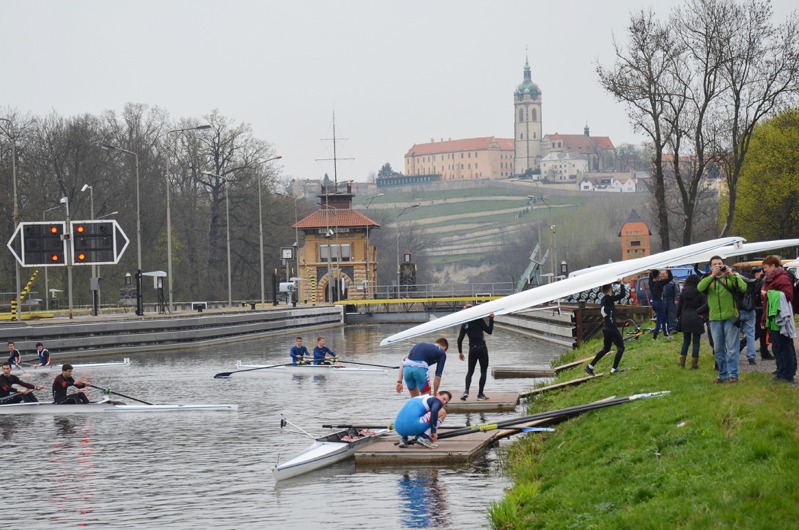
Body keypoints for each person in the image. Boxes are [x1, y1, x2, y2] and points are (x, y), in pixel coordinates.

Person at [698, 256, 747, 383]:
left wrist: (731, 274)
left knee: (731, 348)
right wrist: (712, 276)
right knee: (718, 349)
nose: (718, 266)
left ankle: (733, 375)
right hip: (714, 319)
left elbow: (743, 288)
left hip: (730, 318)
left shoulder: (731, 277)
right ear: (710, 266)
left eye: (720, 263)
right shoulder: (707, 279)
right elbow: (700, 288)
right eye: (715, 264)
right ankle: (722, 375)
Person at [760, 255, 797, 383]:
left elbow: (787, 296)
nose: (764, 270)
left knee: (784, 346)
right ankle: (781, 372)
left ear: (773, 266)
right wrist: (764, 320)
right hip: (772, 316)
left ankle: (787, 374)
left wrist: (768, 294)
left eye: (765, 267)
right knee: (777, 346)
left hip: (780, 317)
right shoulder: (769, 279)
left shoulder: (782, 278)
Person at [585, 281, 627, 376]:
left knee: (606, 349)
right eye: (611, 288)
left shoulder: (603, 299)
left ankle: (590, 367)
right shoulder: (609, 298)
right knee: (621, 348)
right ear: (609, 290)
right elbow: (622, 295)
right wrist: (622, 284)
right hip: (611, 327)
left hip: (606, 327)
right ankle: (614, 369)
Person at [457, 306, 494, 401]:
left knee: (470, 371)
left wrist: (460, 352)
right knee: (483, 371)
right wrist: (491, 319)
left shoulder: (465, 324)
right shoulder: (479, 321)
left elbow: (459, 340)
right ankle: (480, 394)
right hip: (482, 349)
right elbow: (489, 331)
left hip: (472, 350)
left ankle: (466, 391)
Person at [676, 275, 707, 369]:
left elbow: (679, 307)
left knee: (686, 341)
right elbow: (705, 305)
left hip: (685, 317)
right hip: (697, 316)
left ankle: (682, 363)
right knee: (696, 341)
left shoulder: (683, 292)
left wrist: (678, 317)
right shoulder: (701, 292)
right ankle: (694, 364)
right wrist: (704, 317)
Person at [736, 268, 759, 366]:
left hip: (739, 310)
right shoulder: (754, 281)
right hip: (751, 310)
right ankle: (751, 358)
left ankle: (735, 356)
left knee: (735, 335)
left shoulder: (737, 280)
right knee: (751, 335)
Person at [752, 266, 774, 360]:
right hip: (760, 309)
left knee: (762, 332)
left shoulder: (756, 281)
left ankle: (764, 352)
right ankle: (739, 347)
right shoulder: (761, 282)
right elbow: (757, 295)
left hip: (758, 309)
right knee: (759, 332)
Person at [649, 269, 674, 340]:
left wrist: (652, 271)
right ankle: (654, 337)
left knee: (664, 319)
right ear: (657, 276)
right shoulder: (660, 283)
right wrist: (668, 270)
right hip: (660, 303)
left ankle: (666, 335)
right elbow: (670, 278)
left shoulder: (651, 283)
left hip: (654, 303)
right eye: (659, 275)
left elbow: (651, 277)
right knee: (659, 321)